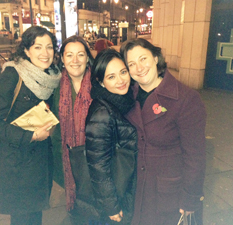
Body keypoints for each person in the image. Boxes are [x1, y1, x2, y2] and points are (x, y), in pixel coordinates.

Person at [120, 38, 206, 225]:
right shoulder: (127, 95)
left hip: (167, 194)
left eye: (143, 59)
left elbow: (195, 155)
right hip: (135, 190)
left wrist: (191, 196)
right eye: (131, 64)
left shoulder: (185, 98)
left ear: (156, 58)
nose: (139, 67)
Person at [0, 26, 61, 225]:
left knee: (35, 215)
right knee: (24, 218)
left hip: (41, 163)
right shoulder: (12, 75)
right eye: (37, 47)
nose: (45, 53)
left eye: (49, 47)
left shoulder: (51, 78)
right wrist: (31, 136)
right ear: (26, 50)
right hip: (17, 165)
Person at [84, 49, 138, 224]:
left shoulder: (125, 100)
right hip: (117, 196)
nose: (121, 80)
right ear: (100, 82)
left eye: (123, 72)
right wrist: (111, 206)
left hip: (126, 188)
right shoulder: (102, 113)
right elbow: (98, 166)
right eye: (111, 77)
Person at [50, 35, 94, 218]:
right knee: (78, 207)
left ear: (87, 58)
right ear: (62, 58)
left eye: (80, 55)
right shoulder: (54, 87)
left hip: (95, 158)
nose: (75, 61)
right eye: (69, 55)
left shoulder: (100, 84)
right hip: (67, 157)